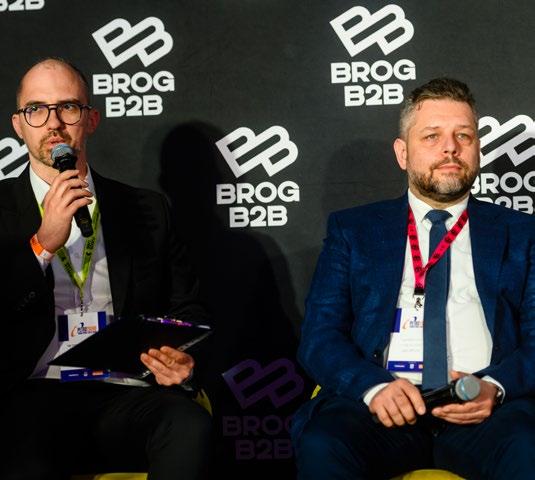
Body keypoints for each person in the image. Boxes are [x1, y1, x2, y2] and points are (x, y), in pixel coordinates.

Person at [291, 77, 535, 479]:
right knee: (324, 442)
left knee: (528, 445)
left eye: (464, 135)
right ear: (402, 153)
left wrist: (496, 386)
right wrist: (373, 388)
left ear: (477, 148)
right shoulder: (354, 230)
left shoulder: (522, 233)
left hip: (487, 411)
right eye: (432, 136)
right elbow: (320, 337)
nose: (450, 148)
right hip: (381, 409)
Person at [0, 58, 212, 480]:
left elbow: (187, 309)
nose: (54, 123)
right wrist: (42, 245)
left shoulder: (146, 209)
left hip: (123, 391)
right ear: (19, 125)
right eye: (37, 109)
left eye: (68, 107)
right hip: (30, 393)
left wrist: (181, 356)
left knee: (189, 425)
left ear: (91, 120)